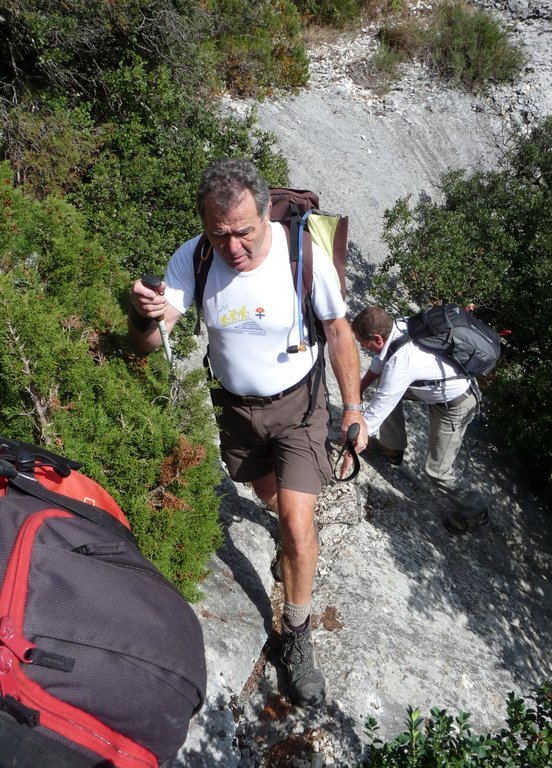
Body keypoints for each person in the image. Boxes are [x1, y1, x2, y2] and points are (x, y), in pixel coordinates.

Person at [128, 158, 367, 707]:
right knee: (266, 494)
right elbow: (153, 339)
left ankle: (298, 633)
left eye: (244, 232)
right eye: (220, 234)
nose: (233, 247)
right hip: (234, 409)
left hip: (300, 407)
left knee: (295, 522)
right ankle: (285, 537)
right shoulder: (196, 256)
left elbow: (337, 329)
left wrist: (353, 407)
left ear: (265, 215)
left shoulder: (300, 251)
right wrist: (145, 316)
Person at [350, 306, 489, 534]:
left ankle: (476, 510)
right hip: (434, 388)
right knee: (386, 385)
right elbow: (379, 365)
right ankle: (390, 447)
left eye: (363, 343)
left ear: (377, 338)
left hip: (455, 405)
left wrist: (350, 448)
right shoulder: (402, 326)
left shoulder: (402, 362)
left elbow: (377, 413)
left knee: (437, 470)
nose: (362, 347)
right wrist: (358, 391)